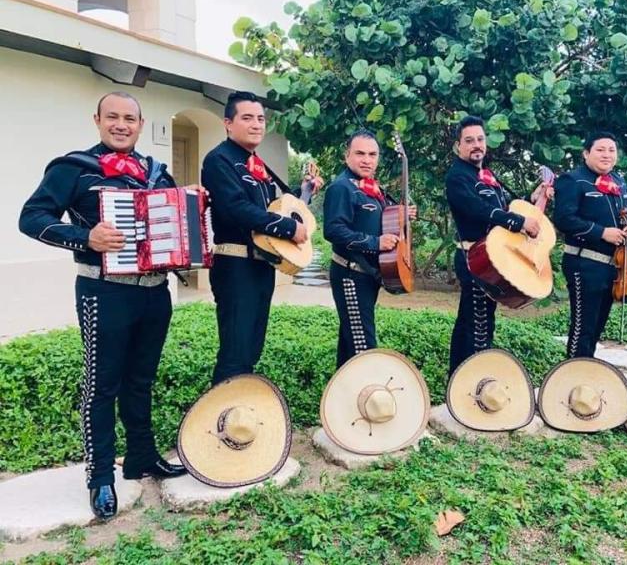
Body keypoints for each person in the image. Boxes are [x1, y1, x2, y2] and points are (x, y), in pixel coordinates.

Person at [18, 92, 187, 520]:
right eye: (112, 116)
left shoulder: (157, 173)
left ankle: (142, 458)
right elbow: (31, 217)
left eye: (129, 118)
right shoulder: (73, 169)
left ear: (140, 123)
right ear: (97, 120)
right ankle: (100, 478)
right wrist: (84, 238)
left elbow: (174, 224)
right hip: (103, 290)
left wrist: (190, 214)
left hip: (155, 291)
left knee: (141, 380)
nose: (121, 124)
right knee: (102, 384)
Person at [201, 91, 322, 385]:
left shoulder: (257, 165)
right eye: (247, 118)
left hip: (261, 266)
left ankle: (240, 411)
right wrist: (289, 228)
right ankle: (219, 417)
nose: (256, 124)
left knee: (252, 348)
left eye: (260, 119)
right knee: (235, 352)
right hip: (235, 266)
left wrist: (303, 192)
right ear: (228, 123)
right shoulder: (219, 160)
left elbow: (270, 210)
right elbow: (236, 209)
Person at [444, 115, 541, 375]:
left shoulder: (487, 175)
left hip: (492, 258)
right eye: (469, 140)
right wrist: (518, 221)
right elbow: (479, 210)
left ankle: (468, 378)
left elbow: (504, 209)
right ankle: (466, 381)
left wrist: (532, 198)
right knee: (474, 322)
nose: (476, 145)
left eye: (480, 139)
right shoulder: (457, 177)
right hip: (472, 257)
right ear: (458, 146)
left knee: (483, 321)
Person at [323, 129, 416, 367]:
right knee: (364, 348)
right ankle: (367, 400)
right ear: (347, 156)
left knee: (350, 343)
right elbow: (333, 230)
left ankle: (341, 400)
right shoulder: (341, 188)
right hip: (350, 275)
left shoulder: (374, 190)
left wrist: (402, 215)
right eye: (360, 153)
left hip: (368, 277)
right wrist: (376, 243)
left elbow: (383, 222)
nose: (367, 160)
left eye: (372, 154)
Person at [552, 131, 627, 359]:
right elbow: (564, 219)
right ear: (586, 153)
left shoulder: (619, 181)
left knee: (597, 328)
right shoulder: (573, 180)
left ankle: (587, 373)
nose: (607, 155)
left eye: (611, 150)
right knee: (583, 328)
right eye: (600, 150)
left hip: (614, 267)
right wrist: (602, 233)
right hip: (584, 263)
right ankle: (571, 376)